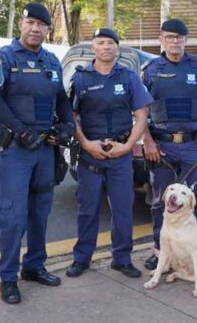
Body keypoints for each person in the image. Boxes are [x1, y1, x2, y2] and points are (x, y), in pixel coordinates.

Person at [0, 2, 75, 304]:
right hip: (17, 149)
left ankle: (34, 266)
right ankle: (8, 277)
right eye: (31, 22)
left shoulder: (51, 61)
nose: (35, 29)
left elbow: (61, 98)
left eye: (42, 24)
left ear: (48, 29)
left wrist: (68, 124)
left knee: (40, 211)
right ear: (21, 24)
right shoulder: (3, 58)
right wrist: (22, 131)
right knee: (13, 215)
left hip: (45, 149)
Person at [142, 18, 197, 289]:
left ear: (186, 40)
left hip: (196, 146)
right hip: (162, 147)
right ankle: (160, 253)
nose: (175, 42)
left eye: (180, 37)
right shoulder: (150, 69)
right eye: (169, 37)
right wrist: (147, 141)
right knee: (160, 203)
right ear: (161, 39)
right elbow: (140, 110)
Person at [65, 28, 153, 279]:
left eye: (110, 43)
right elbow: (72, 117)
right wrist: (85, 144)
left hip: (120, 153)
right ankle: (81, 259)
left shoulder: (129, 77)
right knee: (87, 209)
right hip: (90, 154)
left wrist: (127, 146)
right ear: (93, 47)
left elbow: (141, 116)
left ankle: (122, 259)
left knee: (123, 209)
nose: (105, 47)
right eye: (100, 43)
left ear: (117, 48)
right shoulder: (80, 78)